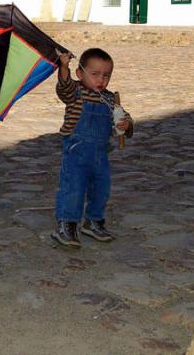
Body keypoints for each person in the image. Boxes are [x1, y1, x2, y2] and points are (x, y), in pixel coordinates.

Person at [52, 48, 133, 248]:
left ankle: (94, 221)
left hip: (100, 153)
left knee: (102, 188)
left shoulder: (110, 100)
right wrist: (63, 67)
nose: (101, 80)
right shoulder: (76, 93)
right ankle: (67, 224)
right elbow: (64, 87)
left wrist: (126, 125)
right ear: (80, 74)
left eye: (106, 75)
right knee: (74, 188)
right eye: (95, 74)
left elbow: (124, 119)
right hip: (76, 151)